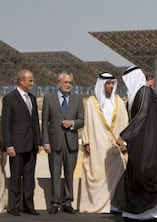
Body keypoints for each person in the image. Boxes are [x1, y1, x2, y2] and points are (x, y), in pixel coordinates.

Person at [111, 66, 157, 221]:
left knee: (147, 179)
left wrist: (124, 136)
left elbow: (141, 116)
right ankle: (139, 214)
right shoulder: (137, 94)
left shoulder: (144, 91)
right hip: (139, 145)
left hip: (146, 145)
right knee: (137, 178)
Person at [79, 73, 129, 213]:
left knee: (117, 174)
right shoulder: (91, 102)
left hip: (115, 146)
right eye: (108, 83)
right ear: (101, 85)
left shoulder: (118, 101)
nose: (111, 86)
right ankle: (97, 205)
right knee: (96, 173)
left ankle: (115, 204)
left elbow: (125, 123)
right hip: (97, 144)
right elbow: (87, 123)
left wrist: (124, 142)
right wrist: (86, 141)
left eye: (112, 83)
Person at [42, 71, 84, 214]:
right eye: (65, 82)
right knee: (55, 174)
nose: (68, 85)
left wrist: (72, 123)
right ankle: (54, 203)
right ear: (59, 83)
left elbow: (82, 120)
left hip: (71, 143)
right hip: (54, 143)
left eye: (70, 83)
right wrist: (45, 142)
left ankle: (68, 202)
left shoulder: (78, 99)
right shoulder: (49, 99)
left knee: (69, 174)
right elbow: (45, 123)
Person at [1, 69, 42, 216]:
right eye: (29, 80)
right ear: (21, 81)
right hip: (16, 146)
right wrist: (8, 145)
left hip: (31, 145)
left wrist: (39, 142)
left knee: (29, 177)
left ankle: (28, 205)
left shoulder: (32, 98)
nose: (32, 83)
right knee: (16, 177)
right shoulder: (9, 98)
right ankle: (14, 207)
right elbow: (5, 124)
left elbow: (35, 122)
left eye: (32, 80)